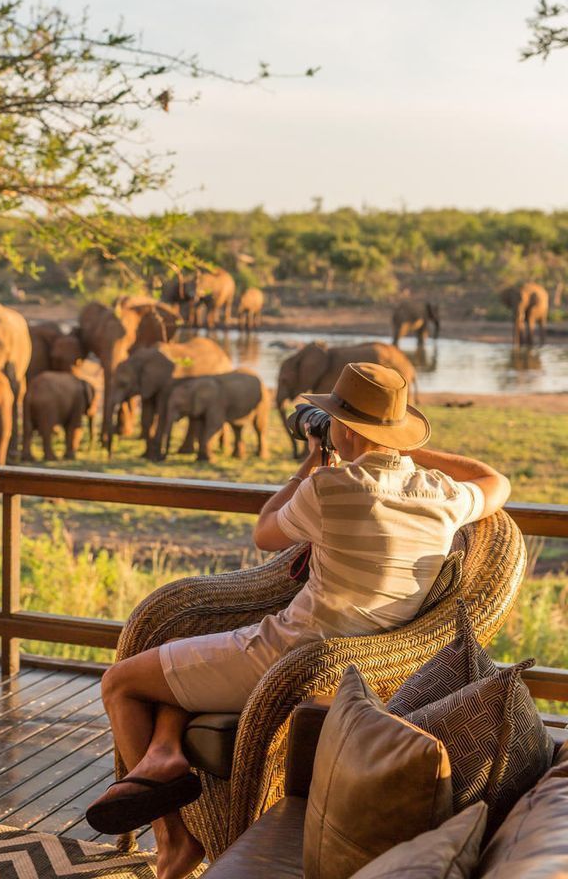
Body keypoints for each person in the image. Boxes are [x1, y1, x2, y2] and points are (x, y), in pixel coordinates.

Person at [87, 362, 510, 879]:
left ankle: (173, 839)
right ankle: (165, 751)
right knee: (185, 648)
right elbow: (495, 481)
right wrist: (402, 452)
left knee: (121, 683)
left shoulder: (329, 487)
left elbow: (265, 532)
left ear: (345, 429)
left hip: (287, 657)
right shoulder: (444, 496)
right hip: (372, 665)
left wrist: (310, 462)